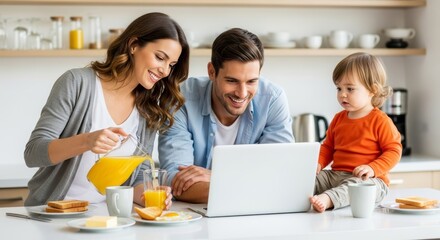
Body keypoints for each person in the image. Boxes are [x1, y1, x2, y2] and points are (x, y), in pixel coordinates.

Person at [24, 12, 190, 207]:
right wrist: (86, 141)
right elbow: (33, 153)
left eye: (171, 65)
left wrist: (149, 194)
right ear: (134, 45)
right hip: (53, 213)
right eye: (160, 57)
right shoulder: (77, 83)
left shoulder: (149, 107)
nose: (165, 71)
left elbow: (137, 177)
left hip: (105, 217)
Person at [158, 28, 294, 203]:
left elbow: (280, 172)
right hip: (196, 217)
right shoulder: (180, 98)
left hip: (256, 214)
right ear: (212, 72)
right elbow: (175, 181)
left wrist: (216, 176)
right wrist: (253, 182)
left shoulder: (272, 99)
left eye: (252, 81)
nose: (242, 93)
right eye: (232, 81)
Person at [309, 52, 402, 212]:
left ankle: (328, 199)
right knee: (307, 179)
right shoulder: (338, 118)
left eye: (350, 89)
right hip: (336, 175)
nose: (342, 94)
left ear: (372, 90)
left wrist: (373, 168)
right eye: (339, 88)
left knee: (358, 186)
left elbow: (394, 151)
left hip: (371, 180)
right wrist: (317, 163)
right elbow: (328, 147)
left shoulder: (380, 120)